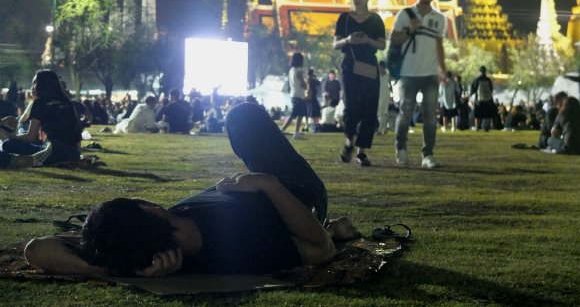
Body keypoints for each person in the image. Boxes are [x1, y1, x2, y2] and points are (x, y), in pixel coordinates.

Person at [23, 102, 358, 277]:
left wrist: (108, 269)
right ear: (149, 208)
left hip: (253, 189)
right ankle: (330, 221)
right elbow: (321, 250)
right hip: (295, 193)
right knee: (243, 115)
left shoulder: (127, 249)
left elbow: (36, 249)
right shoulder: (239, 248)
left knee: (241, 122)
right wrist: (265, 183)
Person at [389, 0, 446, 169]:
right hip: (408, 74)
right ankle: (401, 148)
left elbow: (440, 46)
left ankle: (427, 154)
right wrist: (410, 30)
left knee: (430, 117)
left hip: (430, 75)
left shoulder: (439, 19)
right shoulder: (405, 15)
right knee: (405, 114)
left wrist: (443, 70)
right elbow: (393, 40)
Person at [333, 0, 386, 166]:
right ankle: (349, 142)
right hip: (349, 65)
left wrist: (367, 40)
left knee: (369, 107)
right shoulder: (345, 18)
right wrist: (348, 39)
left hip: (369, 65)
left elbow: (382, 44)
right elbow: (335, 44)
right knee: (351, 104)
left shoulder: (376, 19)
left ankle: (362, 152)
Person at [0, 70, 81, 169]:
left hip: (54, 152)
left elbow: (31, 137)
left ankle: (31, 161)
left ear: (43, 85)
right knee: (10, 144)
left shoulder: (39, 103)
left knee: (12, 149)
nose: (32, 87)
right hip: (74, 153)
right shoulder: (67, 102)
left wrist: (11, 136)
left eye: (34, 83)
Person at [280, 53, 308, 141]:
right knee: (295, 114)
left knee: (298, 114)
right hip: (298, 95)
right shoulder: (298, 71)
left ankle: (295, 132)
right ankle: (284, 130)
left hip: (293, 94)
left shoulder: (291, 70)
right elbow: (304, 84)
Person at [470, 66, 495, 131]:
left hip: (479, 99)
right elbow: (491, 89)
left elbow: (473, 89)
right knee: (487, 114)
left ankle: (477, 126)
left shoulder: (477, 79)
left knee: (477, 114)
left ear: (480, 71)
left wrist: (471, 95)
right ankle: (486, 127)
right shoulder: (488, 80)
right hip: (487, 99)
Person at [377, 61, 391, 135]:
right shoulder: (377, 75)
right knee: (379, 112)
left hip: (385, 94)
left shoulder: (387, 76)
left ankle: (384, 129)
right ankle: (381, 129)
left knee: (384, 111)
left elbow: (390, 85)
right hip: (379, 94)